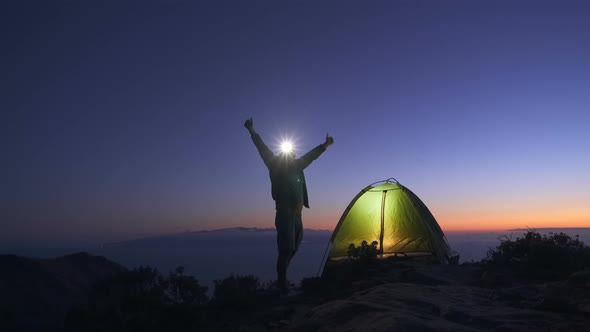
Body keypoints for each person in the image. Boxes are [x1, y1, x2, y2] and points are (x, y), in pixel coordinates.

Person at [244, 117, 333, 292]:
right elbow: (261, 148)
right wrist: (252, 130)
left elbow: (311, 156)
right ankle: (281, 285)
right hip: (285, 213)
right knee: (285, 249)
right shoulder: (274, 164)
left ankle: (282, 279)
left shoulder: (298, 165)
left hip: (298, 215)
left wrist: (325, 145)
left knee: (294, 247)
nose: (290, 155)